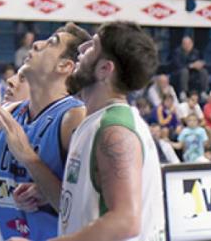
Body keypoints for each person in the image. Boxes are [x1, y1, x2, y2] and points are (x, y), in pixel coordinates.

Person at [11, 22, 163, 241]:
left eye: (92, 47)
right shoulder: (95, 121)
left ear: (104, 69)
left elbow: (126, 221)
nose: (81, 50)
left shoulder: (115, 130)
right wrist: (60, 196)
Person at [0, 24, 90, 241]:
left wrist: (29, 158)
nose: (36, 43)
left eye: (51, 43)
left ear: (65, 66)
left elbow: (84, 210)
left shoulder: (74, 117)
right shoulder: (10, 115)